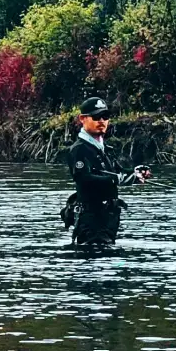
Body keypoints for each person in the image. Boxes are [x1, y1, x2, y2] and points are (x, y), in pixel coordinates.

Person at [62, 97, 150, 247]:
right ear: (83, 119)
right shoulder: (78, 150)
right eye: (96, 117)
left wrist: (135, 172)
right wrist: (118, 179)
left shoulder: (104, 148)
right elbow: (84, 179)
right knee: (97, 262)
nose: (101, 121)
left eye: (105, 116)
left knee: (110, 262)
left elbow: (116, 171)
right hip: (91, 220)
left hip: (109, 218)